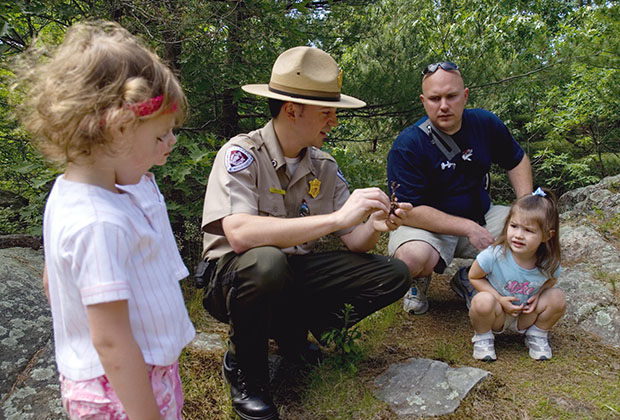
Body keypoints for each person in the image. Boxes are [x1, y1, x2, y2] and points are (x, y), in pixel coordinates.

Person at [199, 46, 412, 420]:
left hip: (290, 275)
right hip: (234, 279)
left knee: (392, 274)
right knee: (266, 262)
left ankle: (291, 330)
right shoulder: (243, 153)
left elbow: (354, 240)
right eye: (326, 112)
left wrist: (373, 226)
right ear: (291, 110)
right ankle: (247, 372)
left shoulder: (324, 165)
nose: (334, 121)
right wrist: (336, 219)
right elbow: (240, 233)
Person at [12, 21, 195, 419]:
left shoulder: (73, 192)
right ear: (119, 129)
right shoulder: (98, 222)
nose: (171, 144)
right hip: (122, 394)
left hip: (136, 375)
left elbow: (52, 280)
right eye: (160, 135)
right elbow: (112, 343)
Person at [386, 61, 533, 315]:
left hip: (480, 214)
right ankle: (418, 281)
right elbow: (407, 211)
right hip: (426, 227)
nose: (443, 106)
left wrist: (526, 205)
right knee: (411, 259)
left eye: (451, 96)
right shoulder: (407, 145)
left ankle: (470, 277)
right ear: (423, 101)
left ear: (465, 96)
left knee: (534, 234)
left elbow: (516, 160)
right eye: (435, 98)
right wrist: (467, 228)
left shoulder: (485, 124)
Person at [468, 187, 566, 361]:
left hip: (526, 316)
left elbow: (552, 280)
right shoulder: (494, 255)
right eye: (514, 226)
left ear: (547, 235)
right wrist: (499, 299)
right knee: (482, 301)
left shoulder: (548, 262)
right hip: (497, 314)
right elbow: (474, 276)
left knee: (557, 297)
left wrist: (539, 294)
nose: (518, 235)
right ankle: (483, 337)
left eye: (529, 230)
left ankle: (537, 334)